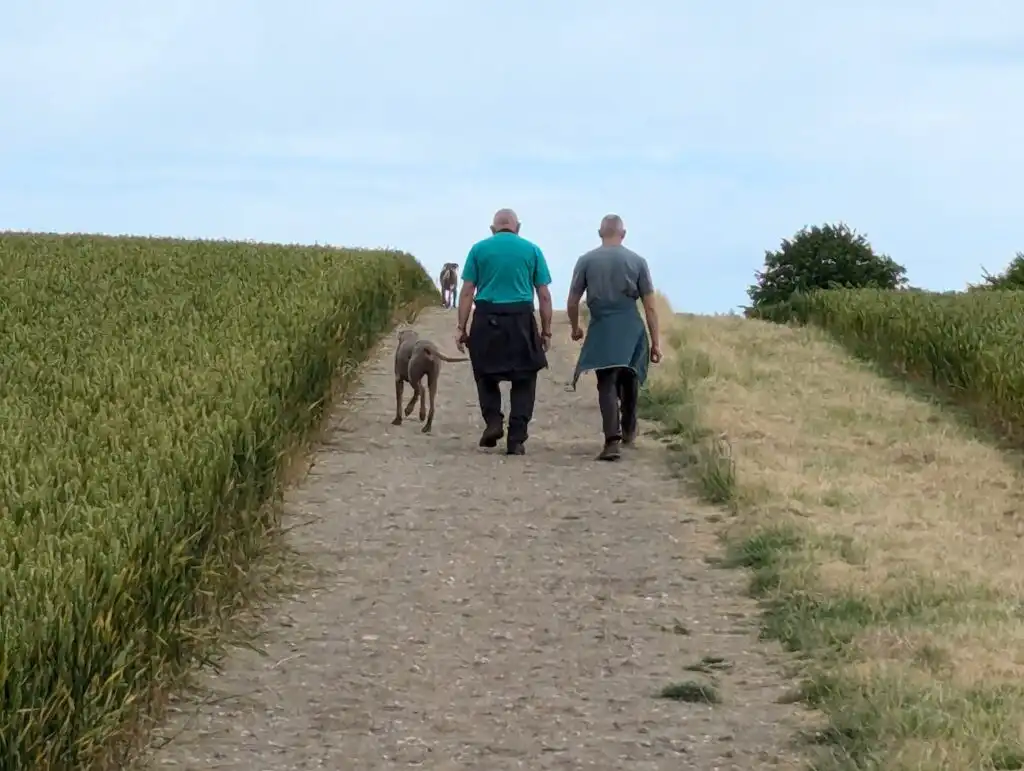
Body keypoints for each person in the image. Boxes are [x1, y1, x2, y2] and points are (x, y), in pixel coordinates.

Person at [455, 208, 553, 456]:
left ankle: (493, 422)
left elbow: (467, 291)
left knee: (485, 374)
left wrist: (461, 327)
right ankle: (516, 439)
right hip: (521, 319)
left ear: (492, 229)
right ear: (517, 227)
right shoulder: (532, 250)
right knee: (525, 378)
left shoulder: (478, 249)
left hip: (486, 318)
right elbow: (543, 294)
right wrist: (547, 331)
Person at [566, 214, 662, 461]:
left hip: (602, 326)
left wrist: (576, 327)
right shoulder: (637, 261)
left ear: (600, 233)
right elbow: (650, 306)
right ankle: (629, 427)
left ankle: (612, 440)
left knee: (606, 381)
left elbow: (573, 300)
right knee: (630, 375)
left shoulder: (586, 260)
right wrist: (656, 342)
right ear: (623, 234)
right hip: (631, 324)